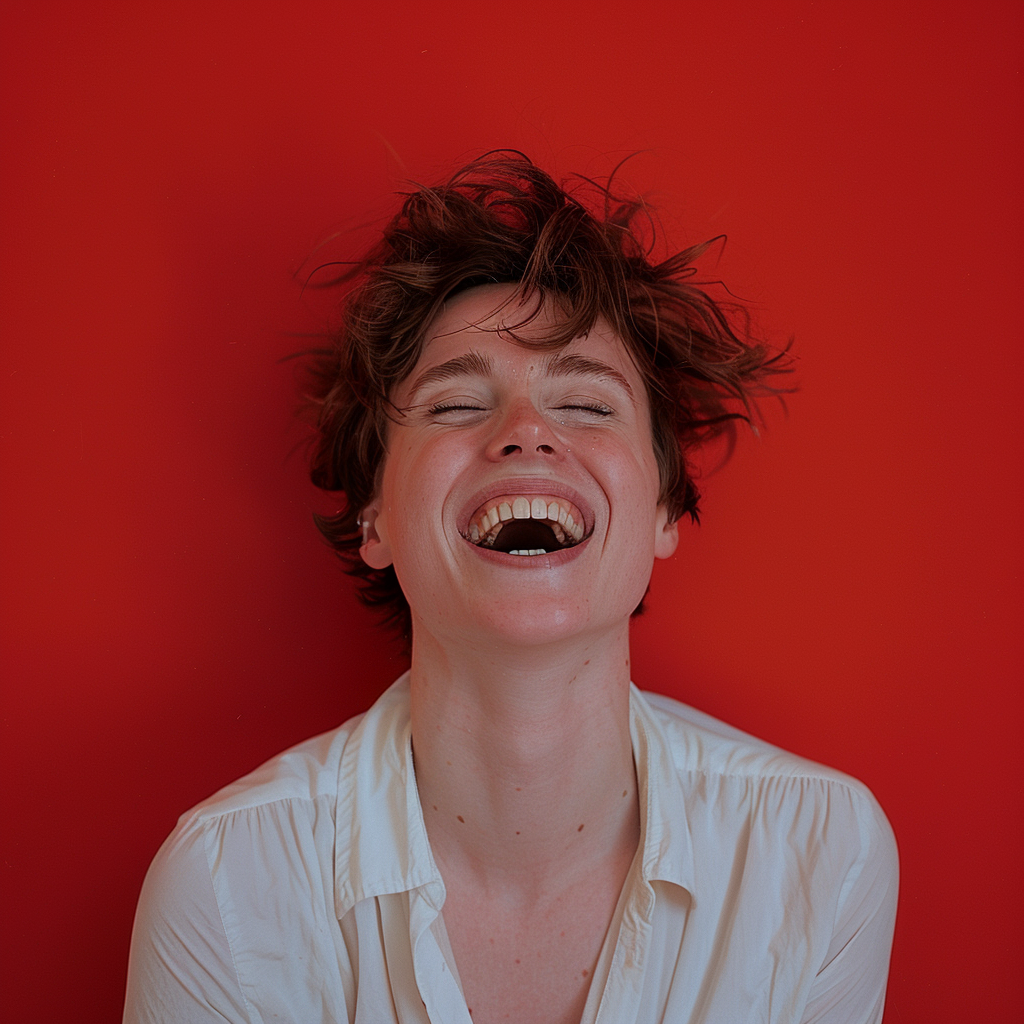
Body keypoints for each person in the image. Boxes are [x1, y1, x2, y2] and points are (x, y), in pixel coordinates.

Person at [123, 153, 898, 1024]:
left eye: (588, 405)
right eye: (456, 405)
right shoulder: (226, 887)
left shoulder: (822, 851)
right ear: (375, 517)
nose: (526, 432)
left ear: (663, 511)